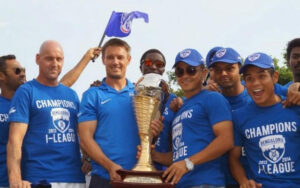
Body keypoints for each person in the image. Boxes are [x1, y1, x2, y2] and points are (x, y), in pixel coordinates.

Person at [77, 38, 163, 188]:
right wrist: (110, 166)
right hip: (104, 178)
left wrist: (155, 130)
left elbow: (152, 132)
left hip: (140, 178)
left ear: (128, 60)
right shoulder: (92, 95)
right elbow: (85, 139)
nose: (115, 62)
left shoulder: (141, 93)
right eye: (110, 57)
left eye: (120, 57)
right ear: (103, 60)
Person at [7, 40, 86, 188]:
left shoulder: (72, 95)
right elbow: (14, 140)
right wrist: (15, 178)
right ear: (38, 59)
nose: (54, 63)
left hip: (75, 177)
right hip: (39, 178)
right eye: (49, 58)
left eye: (59, 59)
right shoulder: (26, 92)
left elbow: (81, 135)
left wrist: (87, 159)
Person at [160, 48, 233, 187]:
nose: (185, 75)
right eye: (180, 71)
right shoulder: (180, 108)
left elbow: (226, 140)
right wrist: (151, 154)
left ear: (204, 73)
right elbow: (179, 156)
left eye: (191, 70)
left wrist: (188, 163)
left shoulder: (213, 98)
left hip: (206, 183)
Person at [229, 52, 300, 188]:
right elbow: (233, 158)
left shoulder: (294, 107)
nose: (255, 83)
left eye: (262, 76)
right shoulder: (239, 116)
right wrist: (243, 181)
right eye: (249, 78)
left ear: (275, 77)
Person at [138, 49, 176, 170]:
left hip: (162, 173)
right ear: (141, 67)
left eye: (159, 64)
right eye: (148, 63)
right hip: (131, 169)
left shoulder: (174, 101)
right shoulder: (130, 95)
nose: (154, 67)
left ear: (163, 70)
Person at [0, 55, 26, 188]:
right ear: (1, 76)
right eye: (17, 71)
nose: (22, 74)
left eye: (23, 70)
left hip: (28, 181)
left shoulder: (29, 102)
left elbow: (62, 85)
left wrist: (85, 60)